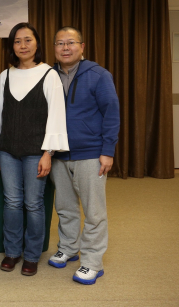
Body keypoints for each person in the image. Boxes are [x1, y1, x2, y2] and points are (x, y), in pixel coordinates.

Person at [0, 22, 69, 277]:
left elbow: (56, 116)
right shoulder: (5, 75)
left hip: (37, 151)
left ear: (37, 44)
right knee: (12, 202)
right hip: (9, 150)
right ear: (12, 46)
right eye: (17, 41)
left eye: (27, 40)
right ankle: (12, 252)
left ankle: (32, 255)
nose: (22, 45)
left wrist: (48, 153)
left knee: (33, 204)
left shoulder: (49, 74)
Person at [49, 26, 120, 285]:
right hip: (59, 154)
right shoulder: (49, 76)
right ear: (54, 48)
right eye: (60, 43)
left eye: (71, 43)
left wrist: (107, 151)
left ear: (82, 47)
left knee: (94, 211)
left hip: (91, 153)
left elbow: (111, 113)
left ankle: (92, 262)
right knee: (65, 208)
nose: (65, 48)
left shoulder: (99, 75)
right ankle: (69, 248)